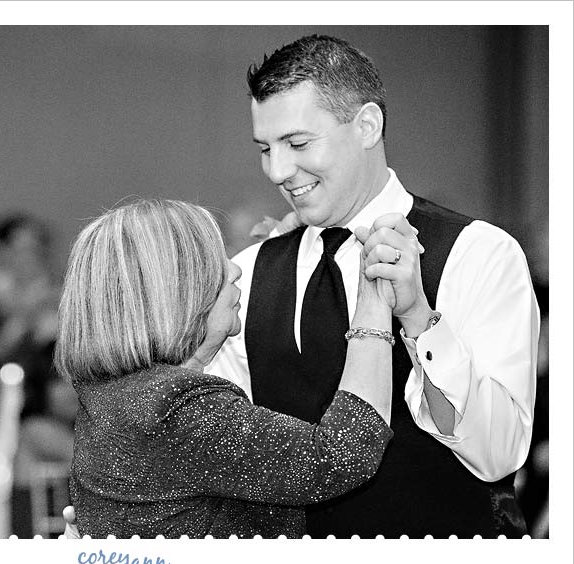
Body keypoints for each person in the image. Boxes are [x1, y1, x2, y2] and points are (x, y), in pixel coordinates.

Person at [207, 34, 539, 538]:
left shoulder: (479, 253)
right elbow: (227, 455)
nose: (278, 171)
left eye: (298, 144)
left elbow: (497, 455)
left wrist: (420, 320)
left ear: (367, 125)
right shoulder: (248, 273)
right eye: (265, 149)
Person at [56, 197, 398, 538]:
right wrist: (374, 300)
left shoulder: (112, 395)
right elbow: (340, 456)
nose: (236, 270)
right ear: (177, 289)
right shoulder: (174, 406)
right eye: (215, 263)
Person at [0, 214, 75, 537]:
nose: (28, 257)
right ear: (2, 251)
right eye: (19, 248)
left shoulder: (59, 290)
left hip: (53, 396)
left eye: (35, 248)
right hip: (2, 397)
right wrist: (22, 319)